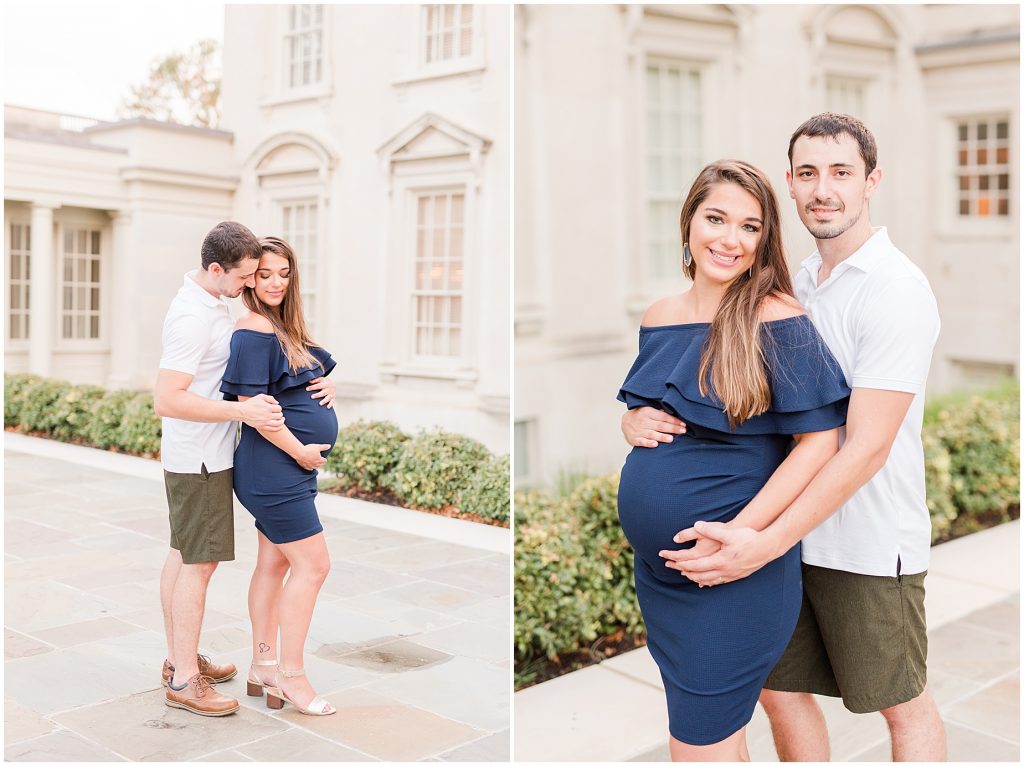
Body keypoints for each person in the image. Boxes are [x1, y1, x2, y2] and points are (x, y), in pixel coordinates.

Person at [627, 114, 946, 761]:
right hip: (782, 540)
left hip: (859, 539)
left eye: (840, 173)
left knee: (901, 704)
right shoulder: (796, 281)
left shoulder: (894, 290)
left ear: (870, 181)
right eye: (808, 174)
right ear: (792, 187)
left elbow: (861, 445)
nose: (822, 189)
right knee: (781, 695)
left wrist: (761, 541)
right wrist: (631, 418)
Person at [616, 159, 851, 761]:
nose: (729, 238)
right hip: (664, 579)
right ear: (689, 221)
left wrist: (741, 534)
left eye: (748, 227)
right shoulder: (660, 316)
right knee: (715, 741)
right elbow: (648, 410)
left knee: (697, 749)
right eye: (716, 218)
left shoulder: (777, 319)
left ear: (764, 239)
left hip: (734, 572)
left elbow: (820, 442)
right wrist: (629, 420)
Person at [155, 221, 335, 717]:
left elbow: (289, 369)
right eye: (250, 275)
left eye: (273, 273)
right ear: (218, 270)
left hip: (211, 455)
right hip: (203, 459)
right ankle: (186, 680)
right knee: (200, 563)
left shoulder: (216, 304)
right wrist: (246, 412)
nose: (255, 284)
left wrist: (322, 388)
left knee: (185, 555)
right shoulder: (196, 317)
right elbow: (167, 399)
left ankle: (182, 660)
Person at [219, 236, 339, 716]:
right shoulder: (252, 331)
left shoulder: (280, 327)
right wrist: (302, 454)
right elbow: (249, 410)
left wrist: (331, 381)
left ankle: (263, 666)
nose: (274, 283)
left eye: (283, 274)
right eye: (264, 274)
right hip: (274, 470)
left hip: (285, 468)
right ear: (250, 278)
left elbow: (311, 371)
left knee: (275, 564)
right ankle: (292, 676)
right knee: (314, 566)